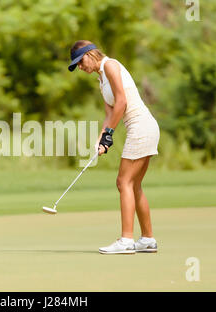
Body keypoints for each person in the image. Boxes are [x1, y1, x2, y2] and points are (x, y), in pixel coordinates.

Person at [68, 40, 160, 254]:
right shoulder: (101, 80)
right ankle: (147, 239)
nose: (80, 68)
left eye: (80, 62)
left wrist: (110, 134)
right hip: (142, 128)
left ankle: (126, 240)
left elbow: (122, 103)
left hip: (141, 126)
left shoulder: (110, 65)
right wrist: (101, 139)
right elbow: (110, 114)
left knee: (123, 182)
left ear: (90, 54)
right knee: (134, 185)